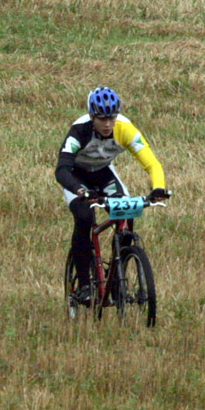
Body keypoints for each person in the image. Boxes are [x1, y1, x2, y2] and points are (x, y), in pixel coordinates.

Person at [55, 86, 170, 303]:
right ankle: (85, 285)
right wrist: (81, 191)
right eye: (102, 119)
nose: (108, 124)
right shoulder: (79, 130)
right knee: (84, 217)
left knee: (128, 211)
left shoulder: (125, 129)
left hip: (103, 174)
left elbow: (152, 163)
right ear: (92, 116)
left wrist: (158, 188)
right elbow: (61, 170)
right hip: (76, 176)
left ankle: (118, 278)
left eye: (112, 118)